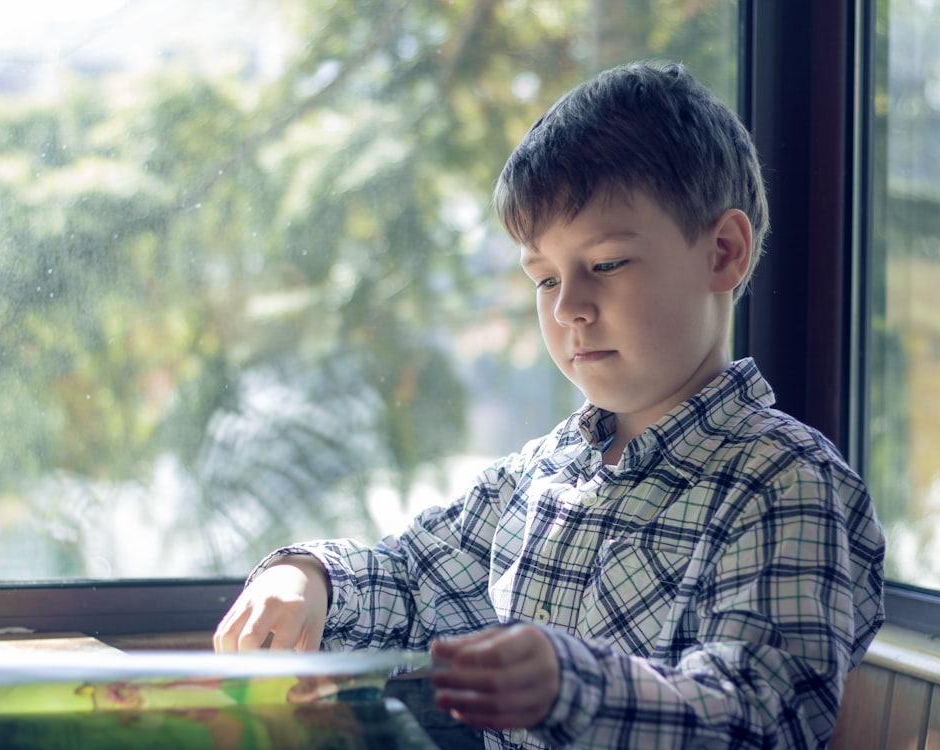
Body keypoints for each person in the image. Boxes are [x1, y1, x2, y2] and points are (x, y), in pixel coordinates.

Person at [214, 60, 886, 749]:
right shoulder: (543, 473)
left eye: (606, 264)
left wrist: (573, 686)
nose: (569, 306)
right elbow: (414, 580)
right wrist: (310, 577)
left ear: (722, 252)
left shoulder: (788, 484)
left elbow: (756, 713)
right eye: (543, 278)